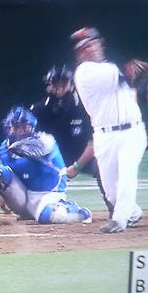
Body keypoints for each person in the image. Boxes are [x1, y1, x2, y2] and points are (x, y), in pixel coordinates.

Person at [0, 106, 92, 226]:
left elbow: (27, 151)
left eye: (25, 126)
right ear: (8, 128)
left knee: (51, 216)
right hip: (22, 196)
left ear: (32, 126)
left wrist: (5, 151)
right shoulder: (5, 147)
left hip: (48, 195)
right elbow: (4, 169)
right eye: (16, 126)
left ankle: (78, 211)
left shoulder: (45, 141)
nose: (21, 130)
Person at [70, 27, 147, 234]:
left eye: (93, 44)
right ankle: (132, 212)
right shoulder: (85, 72)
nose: (91, 49)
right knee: (111, 191)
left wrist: (142, 85)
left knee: (127, 171)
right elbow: (123, 73)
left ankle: (119, 220)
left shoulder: (111, 70)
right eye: (85, 47)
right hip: (105, 136)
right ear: (79, 54)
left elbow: (134, 90)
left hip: (133, 133)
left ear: (101, 45)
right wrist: (139, 68)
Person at [29, 65, 112, 214]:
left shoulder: (85, 108)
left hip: (80, 154)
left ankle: (115, 207)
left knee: (102, 165)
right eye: (55, 83)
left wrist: (77, 166)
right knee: (25, 164)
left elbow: (95, 141)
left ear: (71, 84)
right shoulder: (39, 109)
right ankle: (28, 208)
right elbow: (28, 142)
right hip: (51, 158)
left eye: (64, 83)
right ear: (49, 85)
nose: (59, 88)